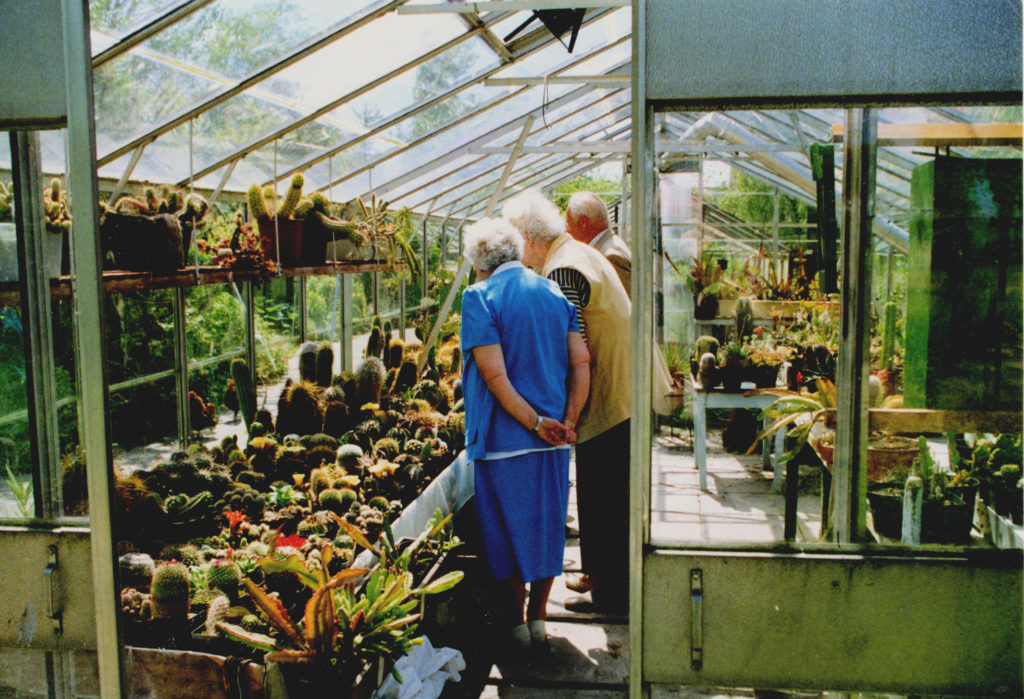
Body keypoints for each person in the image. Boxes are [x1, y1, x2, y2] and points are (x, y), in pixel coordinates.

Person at [460, 217, 591, 647]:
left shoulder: (479, 297)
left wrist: (533, 422)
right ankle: (539, 619)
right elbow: (581, 362)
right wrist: (568, 420)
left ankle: (516, 624)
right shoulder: (554, 292)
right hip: (554, 442)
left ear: (480, 262)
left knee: (505, 534)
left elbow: (494, 376)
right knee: (546, 529)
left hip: (503, 440)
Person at [503, 189, 632, 613]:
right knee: (606, 497)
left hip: (609, 396)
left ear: (528, 237)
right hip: (620, 389)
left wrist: (565, 415)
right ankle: (606, 584)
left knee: (603, 498)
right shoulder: (577, 253)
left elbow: (572, 348)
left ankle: (611, 599)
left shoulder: (562, 270)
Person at [566, 191, 632, 298]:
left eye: (568, 224)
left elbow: (625, 305)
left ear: (583, 222)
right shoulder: (608, 245)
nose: (567, 231)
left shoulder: (610, 256)